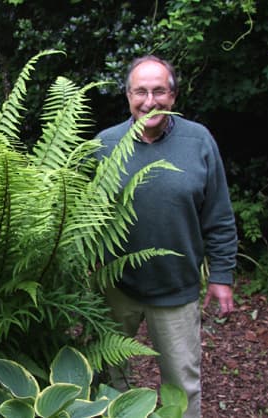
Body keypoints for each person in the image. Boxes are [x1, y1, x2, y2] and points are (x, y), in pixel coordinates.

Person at [95, 55, 238, 418]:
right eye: (140, 91)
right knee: (111, 379)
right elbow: (83, 219)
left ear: (173, 97)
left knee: (182, 386)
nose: (149, 100)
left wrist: (221, 276)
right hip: (116, 289)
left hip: (177, 289)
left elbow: (219, 215)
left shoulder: (199, 141)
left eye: (159, 90)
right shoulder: (104, 145)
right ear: (127, 96)